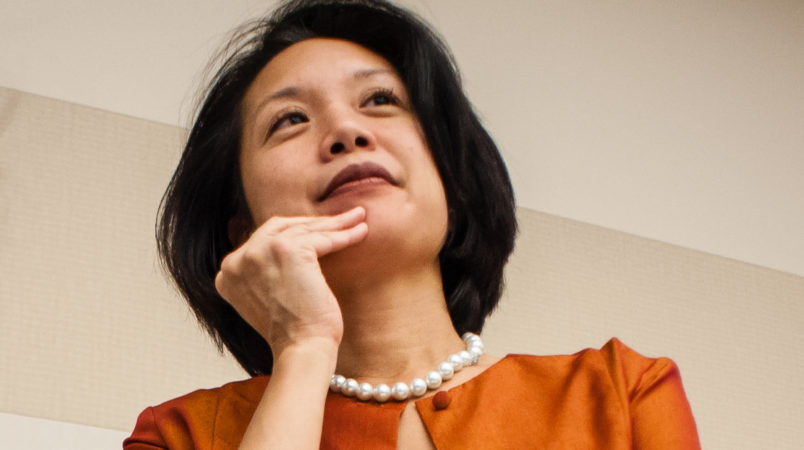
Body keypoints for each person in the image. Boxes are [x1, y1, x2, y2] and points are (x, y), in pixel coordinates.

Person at [124, 0, 700, 448]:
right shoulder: (180, 436)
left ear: (450, 173)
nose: (347, 132)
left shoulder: (622, 394)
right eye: (290, 119)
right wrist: (302, 349)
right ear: (243, 231)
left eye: (380, 99)